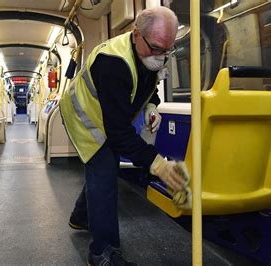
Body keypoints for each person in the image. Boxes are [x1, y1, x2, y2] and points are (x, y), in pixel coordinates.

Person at [59, 6, 189, 266]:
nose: (162, 57)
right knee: (105, 170)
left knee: (102, 170)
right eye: (156, 48)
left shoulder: (151, 53)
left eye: (168, 49)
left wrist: (152, 106)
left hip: (108, 118)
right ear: (135, 34)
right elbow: (118, 133)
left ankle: (80, 216)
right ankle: (102, 253)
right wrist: (159, 166)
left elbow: (149, 89)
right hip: (83, 118)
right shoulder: (112, 63)